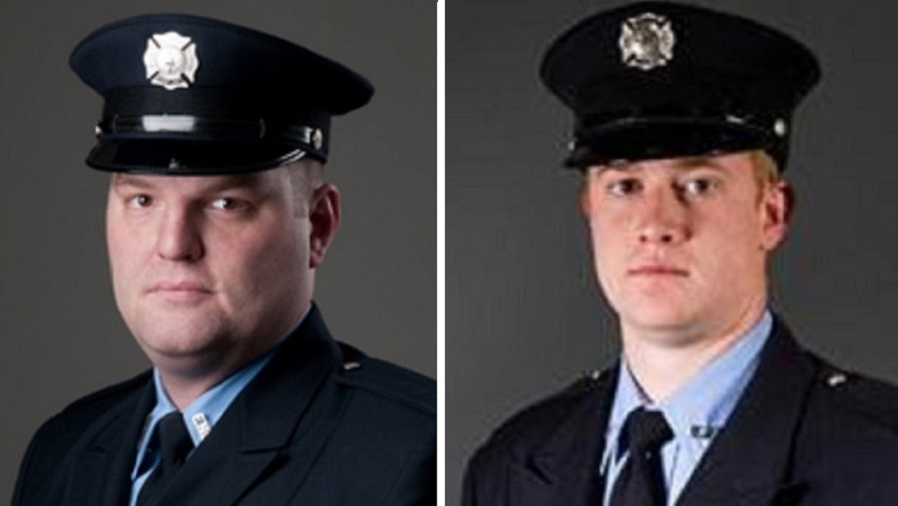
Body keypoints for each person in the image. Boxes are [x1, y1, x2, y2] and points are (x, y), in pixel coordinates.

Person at [462, 2, 898, 505]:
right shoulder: (512, 466)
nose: (656, 224)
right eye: (625, 185)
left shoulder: (881, 463)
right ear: (589, 210)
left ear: (770, 213)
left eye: (698, 183)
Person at [12, 13, 434, 506]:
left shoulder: (410, 455)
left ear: (318, 225)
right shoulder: (62, 450)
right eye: (143, 200)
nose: (173, 244)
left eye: (225, 204)